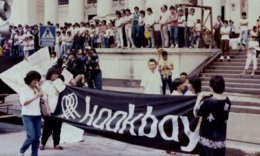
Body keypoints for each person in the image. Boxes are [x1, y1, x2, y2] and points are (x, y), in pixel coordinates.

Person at [193, 75, 231, 156]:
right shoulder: (227, 100)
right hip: (221, 134)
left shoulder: (208, 101)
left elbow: (196, 113)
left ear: (211, 87)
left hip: (208, 134)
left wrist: (199, 98)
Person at [19, 71, 43, 156]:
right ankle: (22, 150)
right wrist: (35, 97)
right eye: (34, 80)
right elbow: (24, 103)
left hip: (37, 115)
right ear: (29, 79)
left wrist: (40, 89)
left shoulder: (36, 88)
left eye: (37, 80)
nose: (35, 82)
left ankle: (34, 154)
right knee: (31, 137)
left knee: (37, 138)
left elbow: (43, 97)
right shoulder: (24, 89)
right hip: (27, 115)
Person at [40, 68, 64, 151]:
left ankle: (56, 143)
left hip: (59, 109)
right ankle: (43, 143)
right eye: (54, 74)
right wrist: (47, 109)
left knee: (58, 127)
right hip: (49, 108)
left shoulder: (60, 83)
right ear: (49, 74)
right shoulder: (45, 84)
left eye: (57, 74)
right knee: (47, 127)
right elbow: (44, 97)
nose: (56, 75)